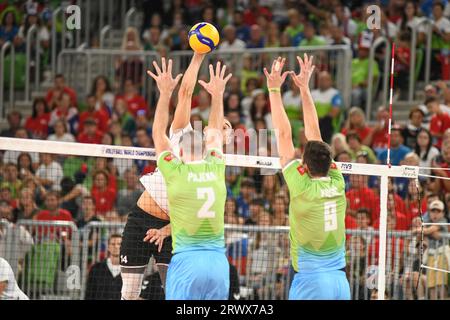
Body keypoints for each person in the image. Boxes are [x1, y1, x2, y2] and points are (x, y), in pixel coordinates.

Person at [119, 54, 232, 300]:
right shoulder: (188, 138)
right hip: (143, 218)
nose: (222, 126)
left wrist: (166, 231)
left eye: (227, 128)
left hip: (176, 234)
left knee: (176, 295)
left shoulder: (211, 164)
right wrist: (197, 56)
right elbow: (186, 93)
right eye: (221, 124)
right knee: (128, 295)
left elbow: (191, 220)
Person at [264, 55, 349, 299]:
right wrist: (304, 88)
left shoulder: (301, 187)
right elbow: (316, 136)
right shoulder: (337, 182)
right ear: (329, 163)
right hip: (339, 281)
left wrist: (273, 89)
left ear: (305, 166)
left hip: (311, 281)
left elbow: (283, 136)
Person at [151, 59, 231, 300]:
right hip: (218, 261)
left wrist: (164, 94)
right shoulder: (217, 164)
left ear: (181, 153)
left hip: (187, 261)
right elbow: (216, 132)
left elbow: (157, 132)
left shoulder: (175, 171)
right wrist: (218, 96)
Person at [84, 234, 123, 300]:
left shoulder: (129, 270)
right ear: (108, 247)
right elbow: (89, 293)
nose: (116, 246)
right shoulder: (96, 269)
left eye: (119, 244)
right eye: (113, 244)